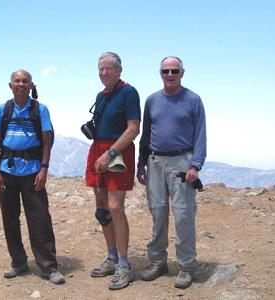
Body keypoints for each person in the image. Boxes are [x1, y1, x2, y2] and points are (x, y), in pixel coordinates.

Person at [137, 56, 207, 289]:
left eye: (174, 70)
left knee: (183, 215)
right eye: (165, 71)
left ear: (182, 73)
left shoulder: (193, 100)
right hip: (155, 161)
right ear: (160, 73)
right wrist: (141, 164)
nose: (169, 75)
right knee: (158, 214)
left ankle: (186, 266)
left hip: (182, 162)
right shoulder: (152, 100)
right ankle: (158, 262)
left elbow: (200, 135)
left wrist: (195, 165)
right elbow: (145, 135)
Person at [0, 69, 65, 285]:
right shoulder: (3, 109)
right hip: (7, 172)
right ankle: (18, 262)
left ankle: (48, 267)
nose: (21, 84)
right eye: (17, 81)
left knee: (40, 219)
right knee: (10, 218)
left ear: (31, 85)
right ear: (10, 85)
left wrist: (44, 169)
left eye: (25, 81)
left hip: (33, 172)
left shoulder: (40, 110)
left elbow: (46, 141)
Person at [85, 52, 141, 290]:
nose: (104, 73)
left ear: (119, 70)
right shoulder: (101, 95)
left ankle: (124, 264)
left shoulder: (129, 92)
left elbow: (133, 129)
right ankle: (111, 257)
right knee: (102, 210)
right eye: (100, 70)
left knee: (116, 207)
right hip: (99, 148)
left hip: (117, 152)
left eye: (108, 69)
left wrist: (110, 154)